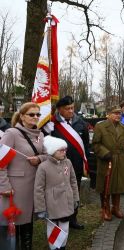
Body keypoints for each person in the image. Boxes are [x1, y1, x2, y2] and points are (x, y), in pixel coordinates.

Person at [0, 102, 45, 250]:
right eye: (31, 114)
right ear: (22, 116)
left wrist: (39, 159)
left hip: (35, 184)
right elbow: (1, 162)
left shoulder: (40, 134)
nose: (35, 117)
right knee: (15, 220)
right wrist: (4, 186)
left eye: (38, 114)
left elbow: (46, 155)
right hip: (15, 187)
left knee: (27, 220)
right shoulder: (12, 133)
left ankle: (27, 246)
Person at [34, 136, 79, 250]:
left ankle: (62, 246)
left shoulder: (68, 163)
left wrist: (75, 198)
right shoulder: (43, 167)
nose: (64, 152)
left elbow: (73, 181)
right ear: (52, 151)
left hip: (66, 201)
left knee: (65, 225)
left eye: (65, 149)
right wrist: (41, 208)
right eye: (61, 150)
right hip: (52, 203)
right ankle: (54, 247)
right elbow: (38, 188)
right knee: (53, 227)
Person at [51, 95, 89, 230]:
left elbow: (85, 146)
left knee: (74, 192)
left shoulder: (81, 124)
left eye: (72, 108)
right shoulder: (51, 125)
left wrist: (85, 163)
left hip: (76, 166)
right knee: (59, 193)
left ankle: (73, 219)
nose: (71, 111)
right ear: (60, 109)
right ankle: (59, 219)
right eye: (67, 108)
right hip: (57, 167)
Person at [92, 106, 124, 221]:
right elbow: (95, 144)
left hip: (120, 160)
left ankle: (116, 208)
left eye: (119, 113)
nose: (118, 115)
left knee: (118, 185)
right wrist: (105, 153)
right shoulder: (100, 126)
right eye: (115, 113)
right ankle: (105, 209)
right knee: (106, 185)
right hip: (106, 160)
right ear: (108, 114)